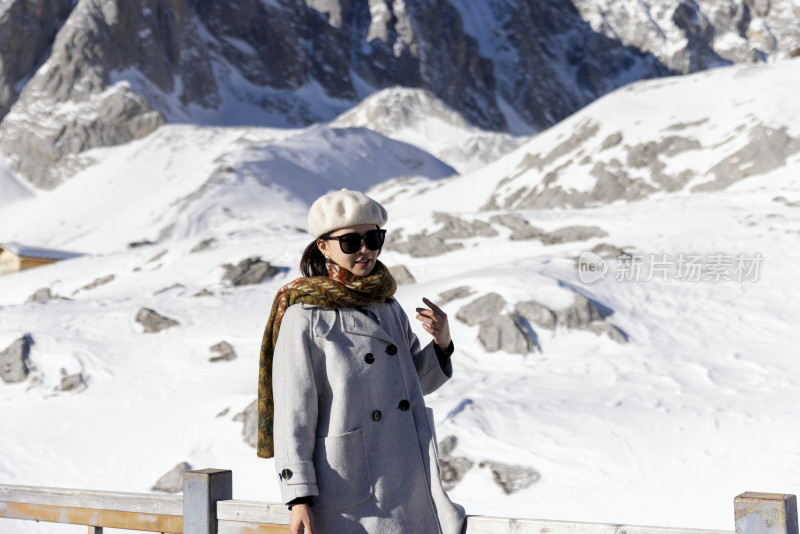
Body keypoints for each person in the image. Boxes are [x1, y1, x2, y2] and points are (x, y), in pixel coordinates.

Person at [257, 189, 466, 534]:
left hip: (407, 478)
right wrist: (298, 499)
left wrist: (442, 345)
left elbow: (411, 384)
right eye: (351, 242)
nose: (365, 249)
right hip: (347, 490)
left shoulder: (388, 307)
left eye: (373, 238)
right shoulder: (304, 318)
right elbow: (293, 414)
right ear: (323, 246)